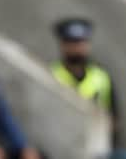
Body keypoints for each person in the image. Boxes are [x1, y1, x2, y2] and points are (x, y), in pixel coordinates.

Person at [50, 18, 118, 146]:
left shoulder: (101, 77)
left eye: (81, 42)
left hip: (95, 144)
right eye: (72, 43)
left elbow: (113, 117)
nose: (77, 48)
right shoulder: (52, 75)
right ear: (63, 45)